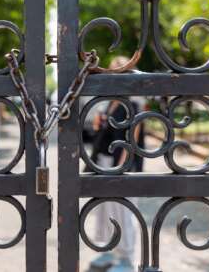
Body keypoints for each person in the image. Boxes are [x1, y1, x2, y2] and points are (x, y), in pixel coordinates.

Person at [88, 57, 145, 272]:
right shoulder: (111, 100)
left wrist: (121, 168)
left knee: (124, 210)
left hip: (121, 164)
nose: (112, 75)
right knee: (107, 209)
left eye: (117, 71)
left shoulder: (133, 102)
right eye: (110, 72)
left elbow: (132, 137)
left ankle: (127, 259)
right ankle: (110, 251)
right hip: (105, 161)